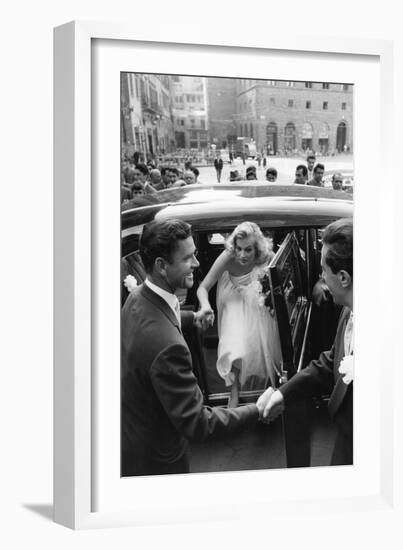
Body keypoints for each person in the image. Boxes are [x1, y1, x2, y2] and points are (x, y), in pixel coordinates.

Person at [121, 219, 258, 476]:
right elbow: (198, 423)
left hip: (134, 434)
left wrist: (191, 318)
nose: (196, 262)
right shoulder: (168, 348)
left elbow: (162, 317)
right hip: (158, 460)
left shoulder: (137, 297)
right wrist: (256, 410)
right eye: (188, 258)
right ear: (162, 266)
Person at [257, 218, 354, 465]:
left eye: (323, 270)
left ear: (343, 278)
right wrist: (283, 394)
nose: (321, 277)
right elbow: (332, 359)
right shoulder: (348, 310)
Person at [197, 222, 282, 408]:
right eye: (239, 249)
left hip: (257, 298)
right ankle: (233, 391)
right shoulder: (228, 256)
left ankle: (273, 388)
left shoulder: (267, 255)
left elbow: (283, 275)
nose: (242, 255)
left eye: (248, 250)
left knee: (263, 343)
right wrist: (205, 305)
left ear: (257, 248)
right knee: (235, 347)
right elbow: (203, 287)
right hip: (233, 296)